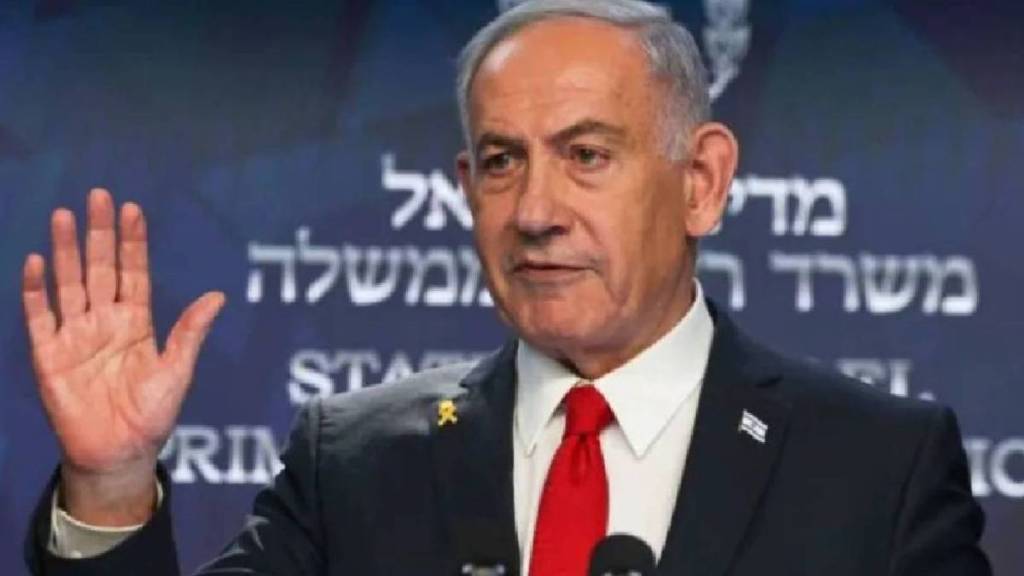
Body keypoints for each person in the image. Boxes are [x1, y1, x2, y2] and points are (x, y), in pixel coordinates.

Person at [22, 1, 991, 574]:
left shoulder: (877, 470)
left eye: (586, 155)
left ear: (700, 181)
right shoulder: (354, 464)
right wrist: (110, 486)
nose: (534, 210)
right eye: (500, 162)